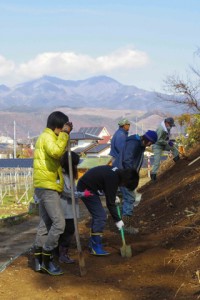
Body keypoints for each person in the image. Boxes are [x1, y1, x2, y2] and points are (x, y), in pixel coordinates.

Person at [33, 111, 73, 276]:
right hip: (48, 186)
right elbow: (56, 152)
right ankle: (47, 260)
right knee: (59, 224)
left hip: (44, 185)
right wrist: (65, 134)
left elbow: (59, 151)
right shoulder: (48, 137)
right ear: (58, 125)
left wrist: (65, 136)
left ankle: (38, 261)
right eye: (63, 126)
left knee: (45, 224)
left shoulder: (48, 136)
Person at [77, 165, 139, 256]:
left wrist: (113, 195)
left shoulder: (117, 172)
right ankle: (95, 247)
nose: (122, 186)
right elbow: (110, 204)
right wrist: (118, 220)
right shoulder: (112, 178)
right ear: (125, 181)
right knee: (100, 216)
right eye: (125, 185)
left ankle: (93, 243)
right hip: (86, 189)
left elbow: (106, 186)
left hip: (91, 187)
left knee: (98, 215)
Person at [114, 130, 158, 233]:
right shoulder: (134, 143)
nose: (150, 145)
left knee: (123, 198)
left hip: (123, 173)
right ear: (148, 140)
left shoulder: (138, 144)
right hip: (124, 174)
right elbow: (127, 160)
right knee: (130, 198)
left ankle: (120, 224)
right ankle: (126, 226)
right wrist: (131, 176)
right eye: (151, 142)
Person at [58, 151, 92, 264]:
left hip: (70, 209)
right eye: (75, 164)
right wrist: (82, 194)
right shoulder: (62, 175)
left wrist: (81, 193)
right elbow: (67, 192)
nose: (76, 167)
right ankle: (60, 254)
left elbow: (72, 190)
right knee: (66, 231)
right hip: (64, 208)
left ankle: (62, 253)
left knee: (69, 230)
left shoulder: (69, 175)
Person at [151, 117, 180, 182]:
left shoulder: (167, 128)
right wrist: (167, 142)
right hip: (157, 145)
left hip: (164, 143)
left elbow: (166, 137)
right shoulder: (161, 129)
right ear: (167, 123)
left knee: (175, 146)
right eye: (171, 125)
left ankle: (178, 161)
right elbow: (158, 140)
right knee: (157, 161)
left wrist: (169, 141)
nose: (171, 127)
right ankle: (153, 175)